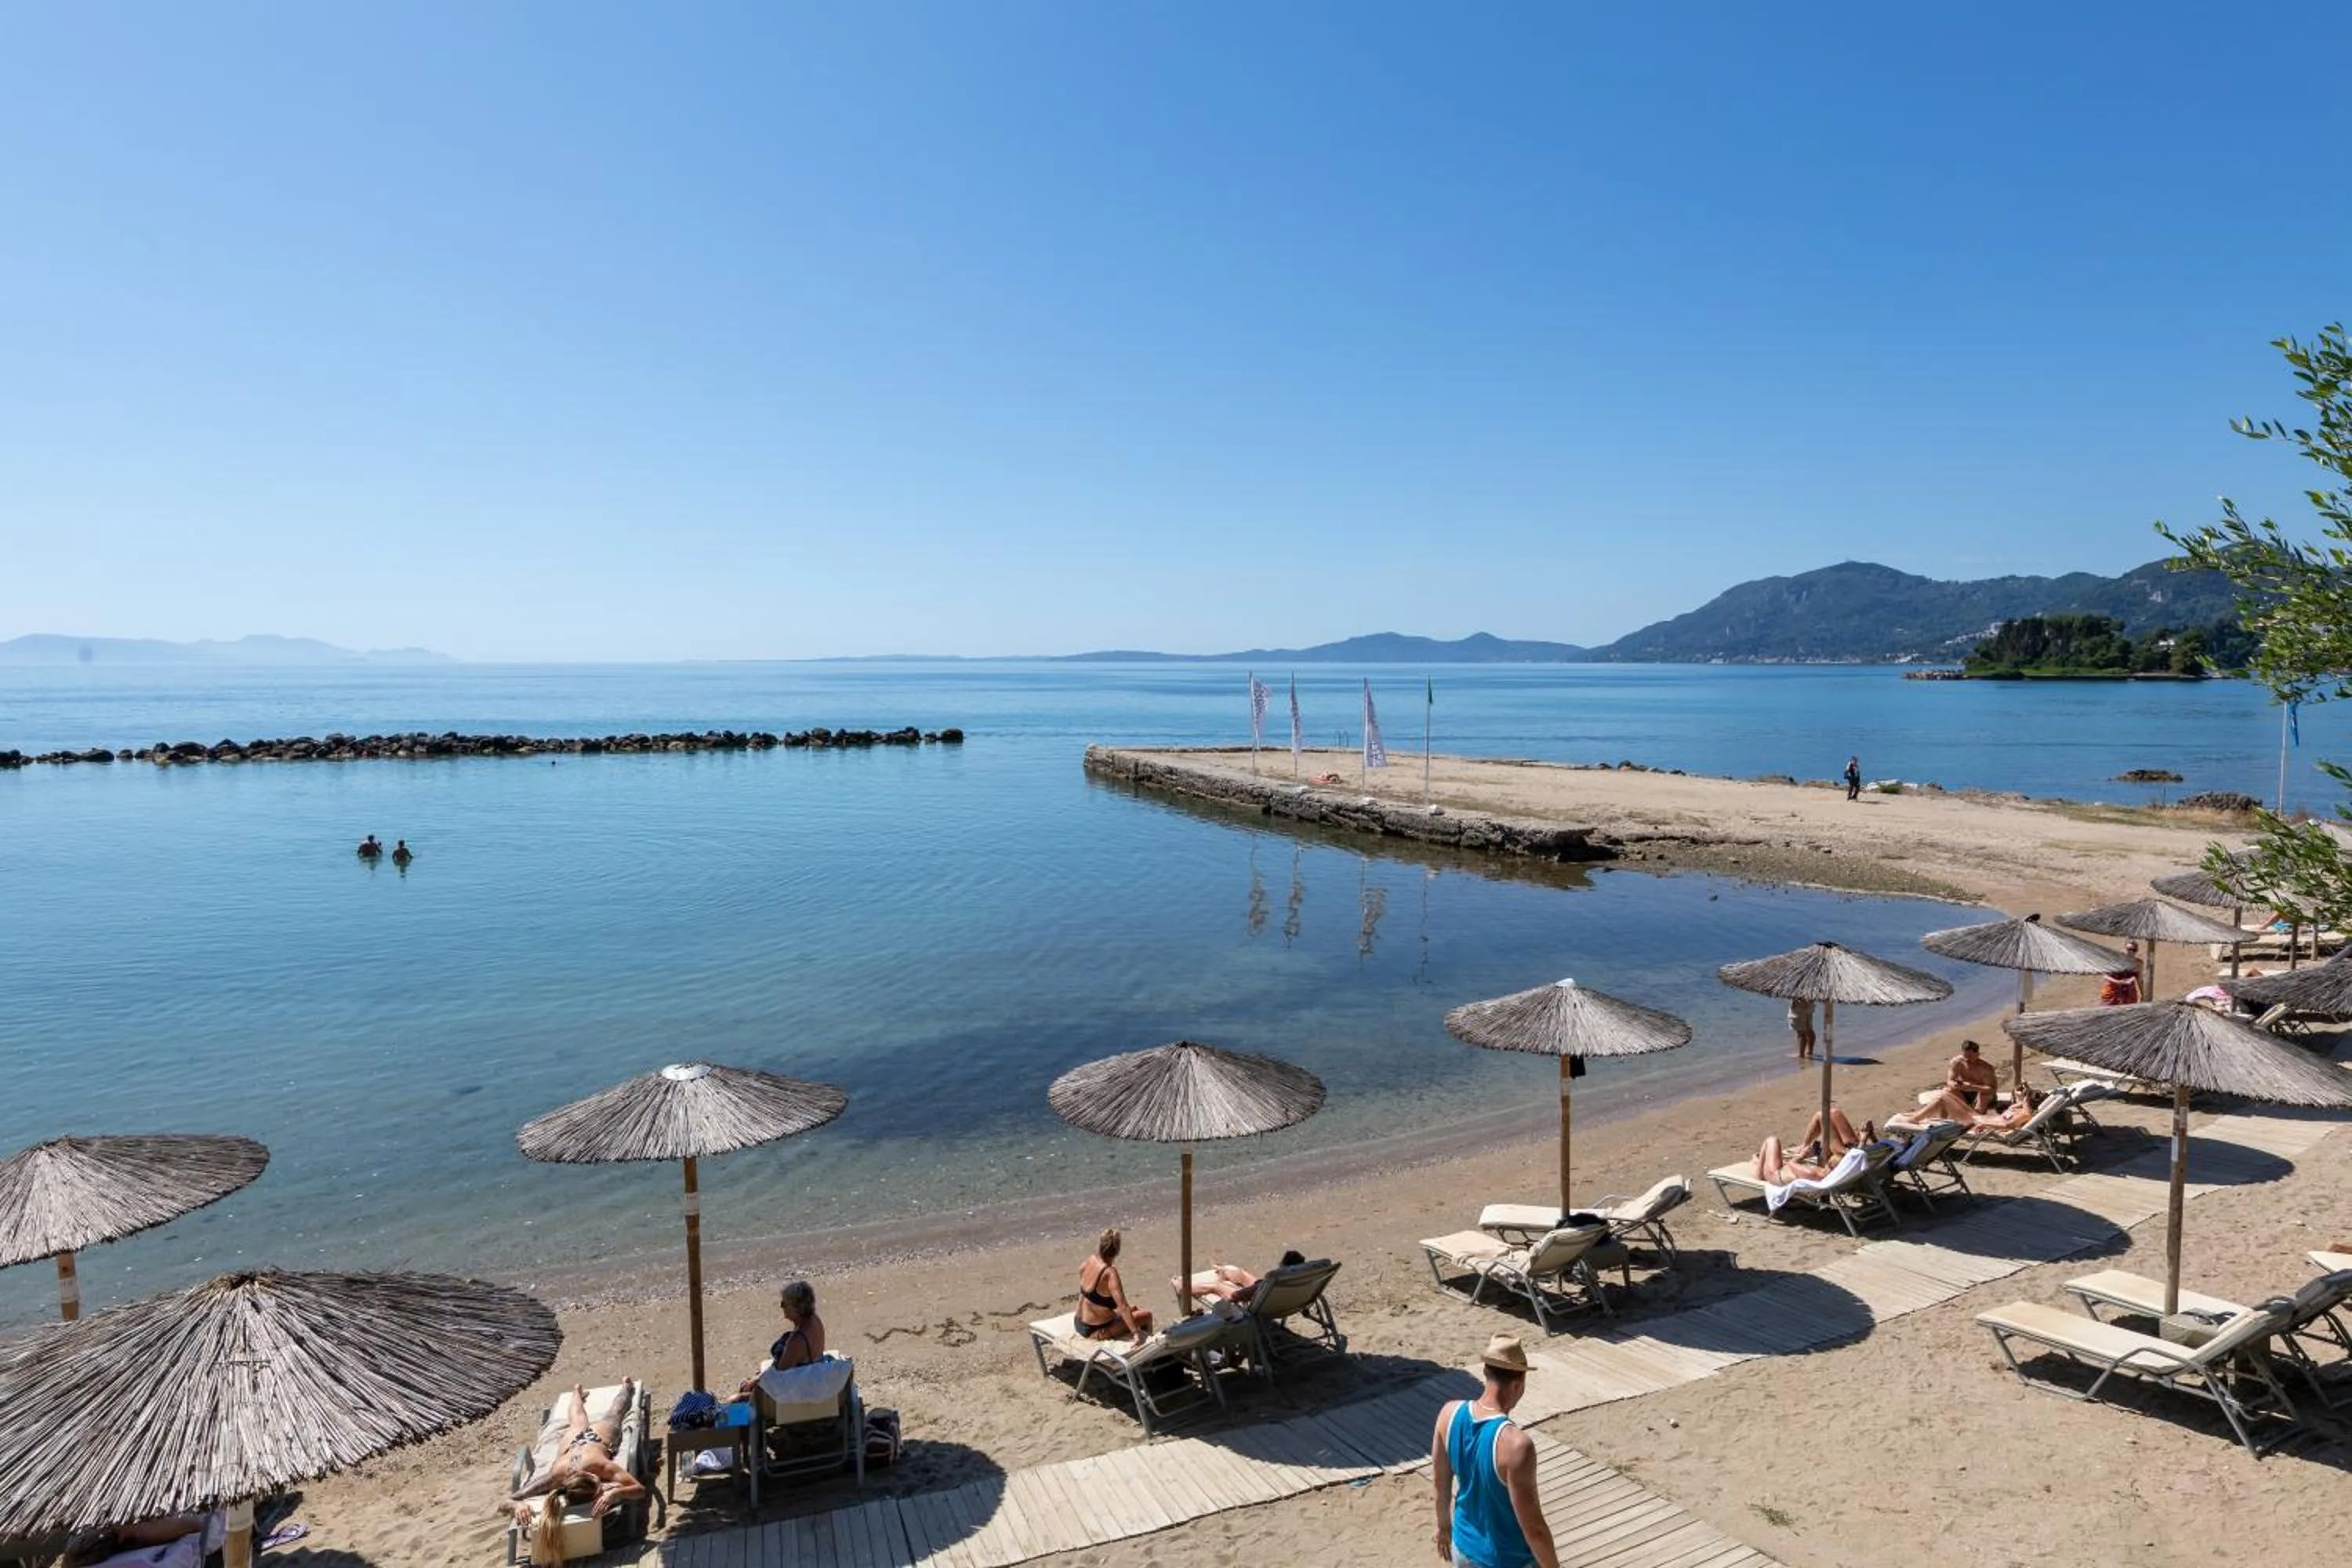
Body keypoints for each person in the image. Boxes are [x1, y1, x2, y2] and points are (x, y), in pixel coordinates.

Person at [1430, 1334, 1558, 1568]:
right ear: (1518, 1384)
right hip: (1508, 1560)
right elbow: (1534, 1529)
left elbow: (1440, 1482)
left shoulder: (1448, 1414)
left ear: (1486, 1373)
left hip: (1464, 1548)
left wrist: (1443, 1526)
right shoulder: (1516, 1445)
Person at [511, 1385, 647, 1564]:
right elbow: (639, 1489)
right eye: (600, 1484)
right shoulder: (593, 1468)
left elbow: (511, 1499)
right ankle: (593, 1390)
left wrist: (615, 1492)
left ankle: (622, 1387)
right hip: (582, 1443)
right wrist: (516, 1506)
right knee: (603, 1415)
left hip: (587, 1440)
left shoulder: (558, 1477)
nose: (602, 1483)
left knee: (606, 1415)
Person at [739, 1279, 825, 1393]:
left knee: (735, 1399)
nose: (781, 1307)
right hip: (812, 1371)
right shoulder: (814, 1320)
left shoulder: (798, 1339)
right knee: (759, 1373)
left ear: (796, 1308)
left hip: (801, 1387)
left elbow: (779, 1374)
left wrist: (753, 1383)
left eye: (784, 1304)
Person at [1076, 1227, 1153, 1341]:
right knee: (1146, 1316)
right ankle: (1150, 1353)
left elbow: (1081, 1273)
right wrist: (1135, 1333)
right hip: (1096, 1331)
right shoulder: (1109, 1273)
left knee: (1134, 1309)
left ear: (1100, 1245)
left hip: (1079, 1322)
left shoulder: (1090, 1260)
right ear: (1117, 1250)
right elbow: (1122, 1305)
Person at [1180, 1249, 1307, 1306]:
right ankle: (1223, 1271)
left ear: (1282, 1266)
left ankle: (1182, 1288)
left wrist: (1221, 1285)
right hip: (1280, 1297)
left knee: (1215, 1286)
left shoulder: (1274, 1281)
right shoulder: (1302, 1279)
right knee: (1242, 1273)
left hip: (1264, 1299)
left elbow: (1235, 1296)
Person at [1944, 1040, 1999, 1112]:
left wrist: (1973, 1087)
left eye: (1970, 1057)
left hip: (1980, 1093)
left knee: (1985, 1096)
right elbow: (1949, 1081)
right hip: (1964, 1092)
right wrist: (1956, 1085)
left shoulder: (1986, 1068)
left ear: (1977, 1054)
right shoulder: (1957, 1062)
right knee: (1947, 1091)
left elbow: (1992, 1089)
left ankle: (1977, 1115)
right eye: (1965, 1056)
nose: (1967, 1060)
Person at [2099, 943, 2142, 1007]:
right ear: (2124, 949)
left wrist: (2143, 994)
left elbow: (2140, 980)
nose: (2131, 952)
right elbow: (2105, 976)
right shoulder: (2115, 960)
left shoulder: (2138, 963)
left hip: (2128, 995)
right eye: (2129, 949)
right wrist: (2118, 982)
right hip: (2112, 993)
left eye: (2134, 950)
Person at [1787, 996, 1817, 1062]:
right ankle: (1809, 1051)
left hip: (1801, 1005)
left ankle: (1801, 1054)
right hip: (1808, 1005)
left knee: (1801, 1031)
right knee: (1808, 1029)